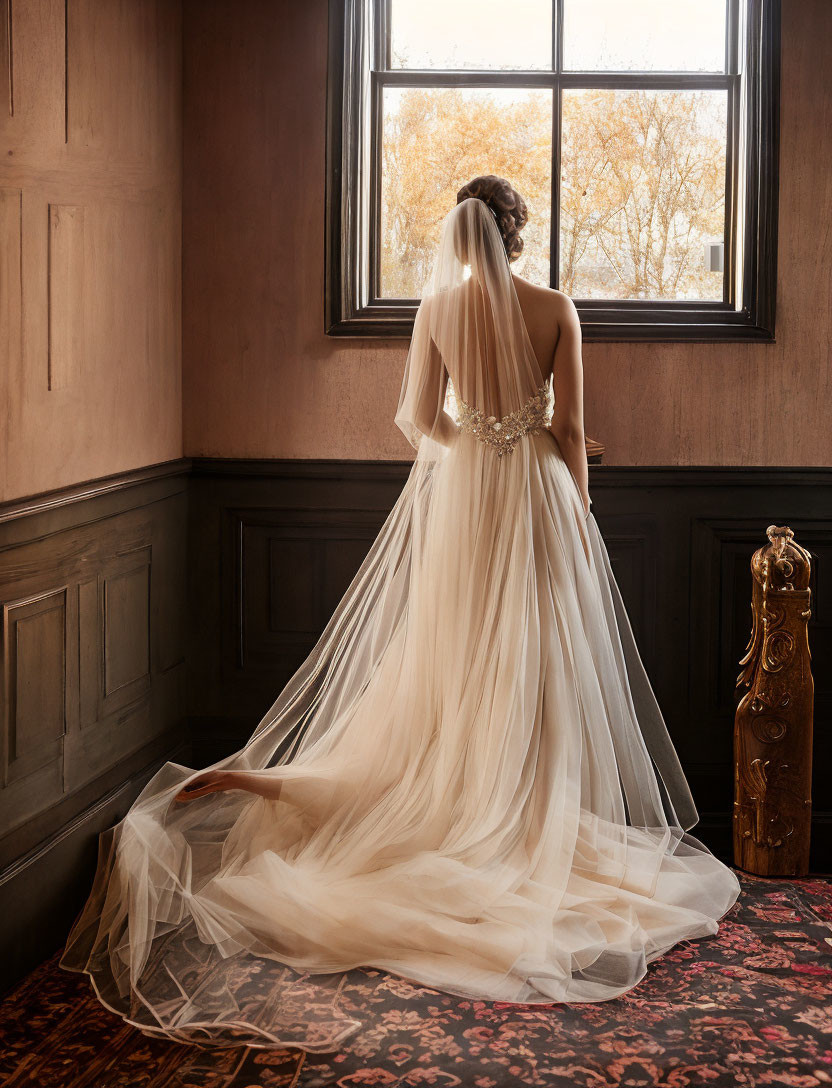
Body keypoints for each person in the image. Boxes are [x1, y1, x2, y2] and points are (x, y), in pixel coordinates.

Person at [61, 175, 740, 1050]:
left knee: (452, 659)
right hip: (534, 493)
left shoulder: (436, 312)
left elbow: (419, 420)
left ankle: (428, 802)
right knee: (535, 665)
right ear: (517, 232)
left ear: (465, 237)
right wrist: (576, 499)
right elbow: (573, 429)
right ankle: (522, 822)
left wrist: (479, 447)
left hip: (467, 502)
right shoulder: (556, 307)